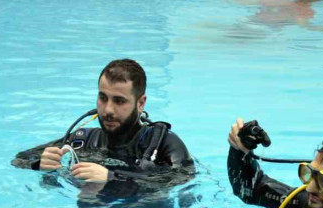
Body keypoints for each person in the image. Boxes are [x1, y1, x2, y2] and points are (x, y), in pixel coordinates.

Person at [12, 59, 195, 197]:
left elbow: (183, 179)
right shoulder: (83, 139)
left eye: (119, 101)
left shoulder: (164, 144)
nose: (108, 110)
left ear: (140, 103)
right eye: (103, 98)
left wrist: (112, 177)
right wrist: (40, 164)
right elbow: (20, 160)